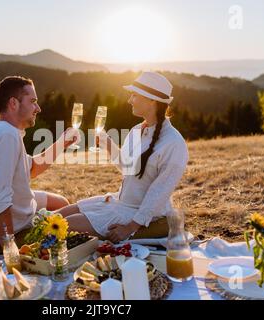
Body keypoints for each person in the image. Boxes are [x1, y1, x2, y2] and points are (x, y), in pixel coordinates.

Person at [55, 72, 189, 243]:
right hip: (118, 202)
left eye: (134, 95)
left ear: (152, 100)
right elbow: (127, 168)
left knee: (62, 224)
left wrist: (130, 227)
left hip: (137, 214)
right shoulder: (136, 131)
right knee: (56, 215)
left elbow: (159, 193)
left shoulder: (174, 143)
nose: (129, 100)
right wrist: (107, 143)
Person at [0, 76, 78, 249]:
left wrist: (62, 143)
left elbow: (31, 168)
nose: (38, 108)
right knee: (76, 215)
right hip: (10, 225)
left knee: (60, 202)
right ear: (14, 103)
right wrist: (10, 250)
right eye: (33, 101)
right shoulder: (6, 136)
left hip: (3, 209)